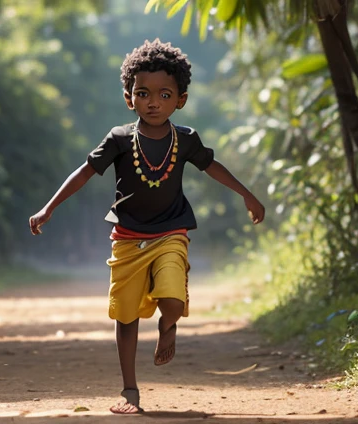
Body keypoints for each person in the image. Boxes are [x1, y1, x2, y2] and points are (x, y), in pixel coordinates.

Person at [28, 38, 265, 414]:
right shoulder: (120, 139)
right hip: (127, 238)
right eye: (143, 93)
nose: (153, 101)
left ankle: (168, 326)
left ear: (180, 100)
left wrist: (247, 194)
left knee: (172, 300)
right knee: (125, 315)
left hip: (171, 232)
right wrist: (48, 208)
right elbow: (85, 172)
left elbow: (212, 166)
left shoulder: (185, 140)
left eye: (164, 94)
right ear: (129, 97)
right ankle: (130, 391)